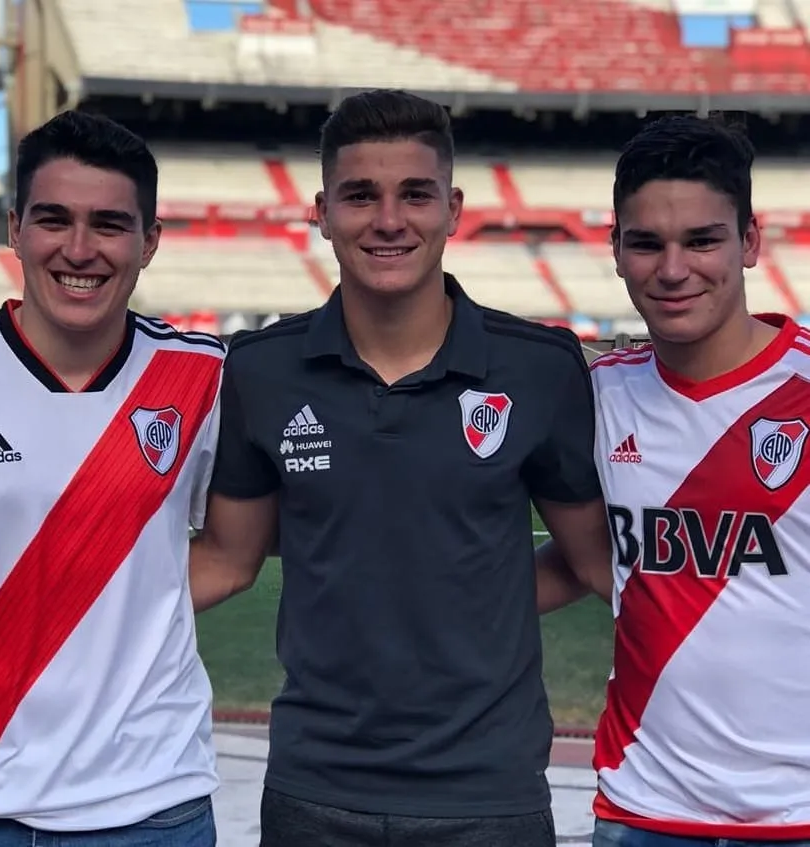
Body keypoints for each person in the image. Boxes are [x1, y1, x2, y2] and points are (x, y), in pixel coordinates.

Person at [189, 88, 611, 847]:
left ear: (451, 207)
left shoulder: (538, 367)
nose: (388, 220)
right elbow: (227, 558)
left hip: (490, 796)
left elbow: (591, 562)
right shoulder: (261, 369)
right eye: (360, 196)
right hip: (314, 789)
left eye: (414, 194)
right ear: (321, 210)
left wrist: (473, 593)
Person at [536, 114, 810, 845]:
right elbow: (584, 560)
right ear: (615, 251)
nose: (672, 268)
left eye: (701, 240)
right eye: (646, 243)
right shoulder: (595, 399)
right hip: (642, 813)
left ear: (749, 242)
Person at [0, 110, 225, 845]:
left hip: (154, 803)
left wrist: (123, 602)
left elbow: (235, 553)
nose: (80, 249)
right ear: (15, 229)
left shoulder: (202, 376)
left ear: (150, 242)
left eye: (109, 224)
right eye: (54, 220)